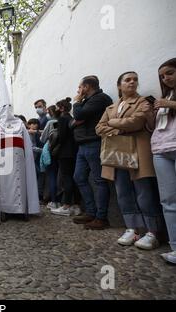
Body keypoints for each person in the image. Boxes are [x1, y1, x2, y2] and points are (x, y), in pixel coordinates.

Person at [96, 71, 164, 249]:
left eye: (135, 80)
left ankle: (153, 231)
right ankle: (132, 228)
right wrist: (119, 126)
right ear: (119, 85)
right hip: (116, 154)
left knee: (144, 192)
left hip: (138, 152)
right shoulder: (111, 108)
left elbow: (137, 121)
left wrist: (112, 125)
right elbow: (98, 128)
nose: (132, 82)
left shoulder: (143, 102)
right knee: (123, 192)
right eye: (127, 80)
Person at [0, 63, 40, 221]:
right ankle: (4, 210)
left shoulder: (19, 123)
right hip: (2, 162)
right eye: (4, 106)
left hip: (19, 161)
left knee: (19, 184)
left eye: (9, 106)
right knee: (4, 187)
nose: (7, 109)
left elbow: (26, 145)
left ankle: (22, 210)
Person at [151, 58, 176, 264]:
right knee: (169, 200)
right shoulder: (166, 96)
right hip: (161, 149)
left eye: (170, 73)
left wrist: (169, 104)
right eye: (162, 76)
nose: (166, 78)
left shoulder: (169, 99)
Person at [71, 76, 113, 230]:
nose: (78, 90)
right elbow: (72, 122)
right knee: (79, 177)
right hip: (83, 145)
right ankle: (91, 211)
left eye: (80, 87)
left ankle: (101, 217)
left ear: (86, 86)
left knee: (99, 180)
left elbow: (78, 116)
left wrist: (76, 103)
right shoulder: (86, 102)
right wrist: (78, 116)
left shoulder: (100, 99)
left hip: (94, 142)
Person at [51, 98, 81, 216]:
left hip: (65, 153)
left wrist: (54, 145)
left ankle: (66, 205)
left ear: (62, 108)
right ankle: (76, 205)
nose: (56, 109)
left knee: (66, 178)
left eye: (58, 107)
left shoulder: (63, 118)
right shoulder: (71, 118)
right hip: (73, 151)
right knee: (73, 178)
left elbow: (61, 136)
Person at [40, 105, 61, 210]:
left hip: (51, 151)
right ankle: (63, 201)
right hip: (61, 152)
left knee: (52, 177)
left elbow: (43, 138)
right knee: (61, 177)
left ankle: (54, 201)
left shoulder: (50, 122)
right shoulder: (65, 120)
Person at [28, 118, 45, 203]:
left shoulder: (33, 134)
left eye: (36, 124)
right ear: (29, 125)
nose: (35, 125)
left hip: (33, 159)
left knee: (39, 174)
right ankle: (37, 196)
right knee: (39, 174)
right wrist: (43, 150)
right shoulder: (28, 133)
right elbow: (31, 148)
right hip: (29, 159)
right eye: (33, 123)